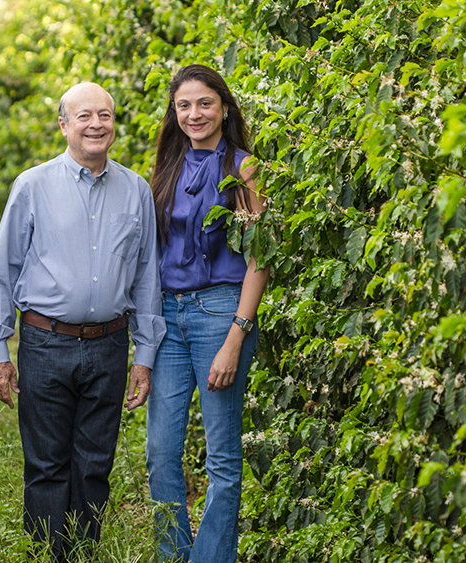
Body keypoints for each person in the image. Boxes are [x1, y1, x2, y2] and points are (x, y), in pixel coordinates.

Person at [0, 82, 165, 562]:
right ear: (64, 125)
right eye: (84, 116)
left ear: (114, 124)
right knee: (45, 466)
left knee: (95, 466)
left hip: (109, 346)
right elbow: (4, 270)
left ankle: (81, 555)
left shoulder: (136, 190)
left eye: (104, 115)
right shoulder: (33, 185)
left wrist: (144, 357)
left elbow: (147, 279)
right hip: (45, 342)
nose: (96, 124)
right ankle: (46, 556)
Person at [145, 64, 269, 563]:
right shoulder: (166, 169)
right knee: (160, 453)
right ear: (174, 114)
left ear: (224, 107)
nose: (194, 114)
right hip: (168, 319)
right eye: (184, 106)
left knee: (221, 457)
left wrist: (236, 336)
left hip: (221, 313)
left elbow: (261, 257)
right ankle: (173, 556)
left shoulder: (245, 168)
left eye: (204, 104)